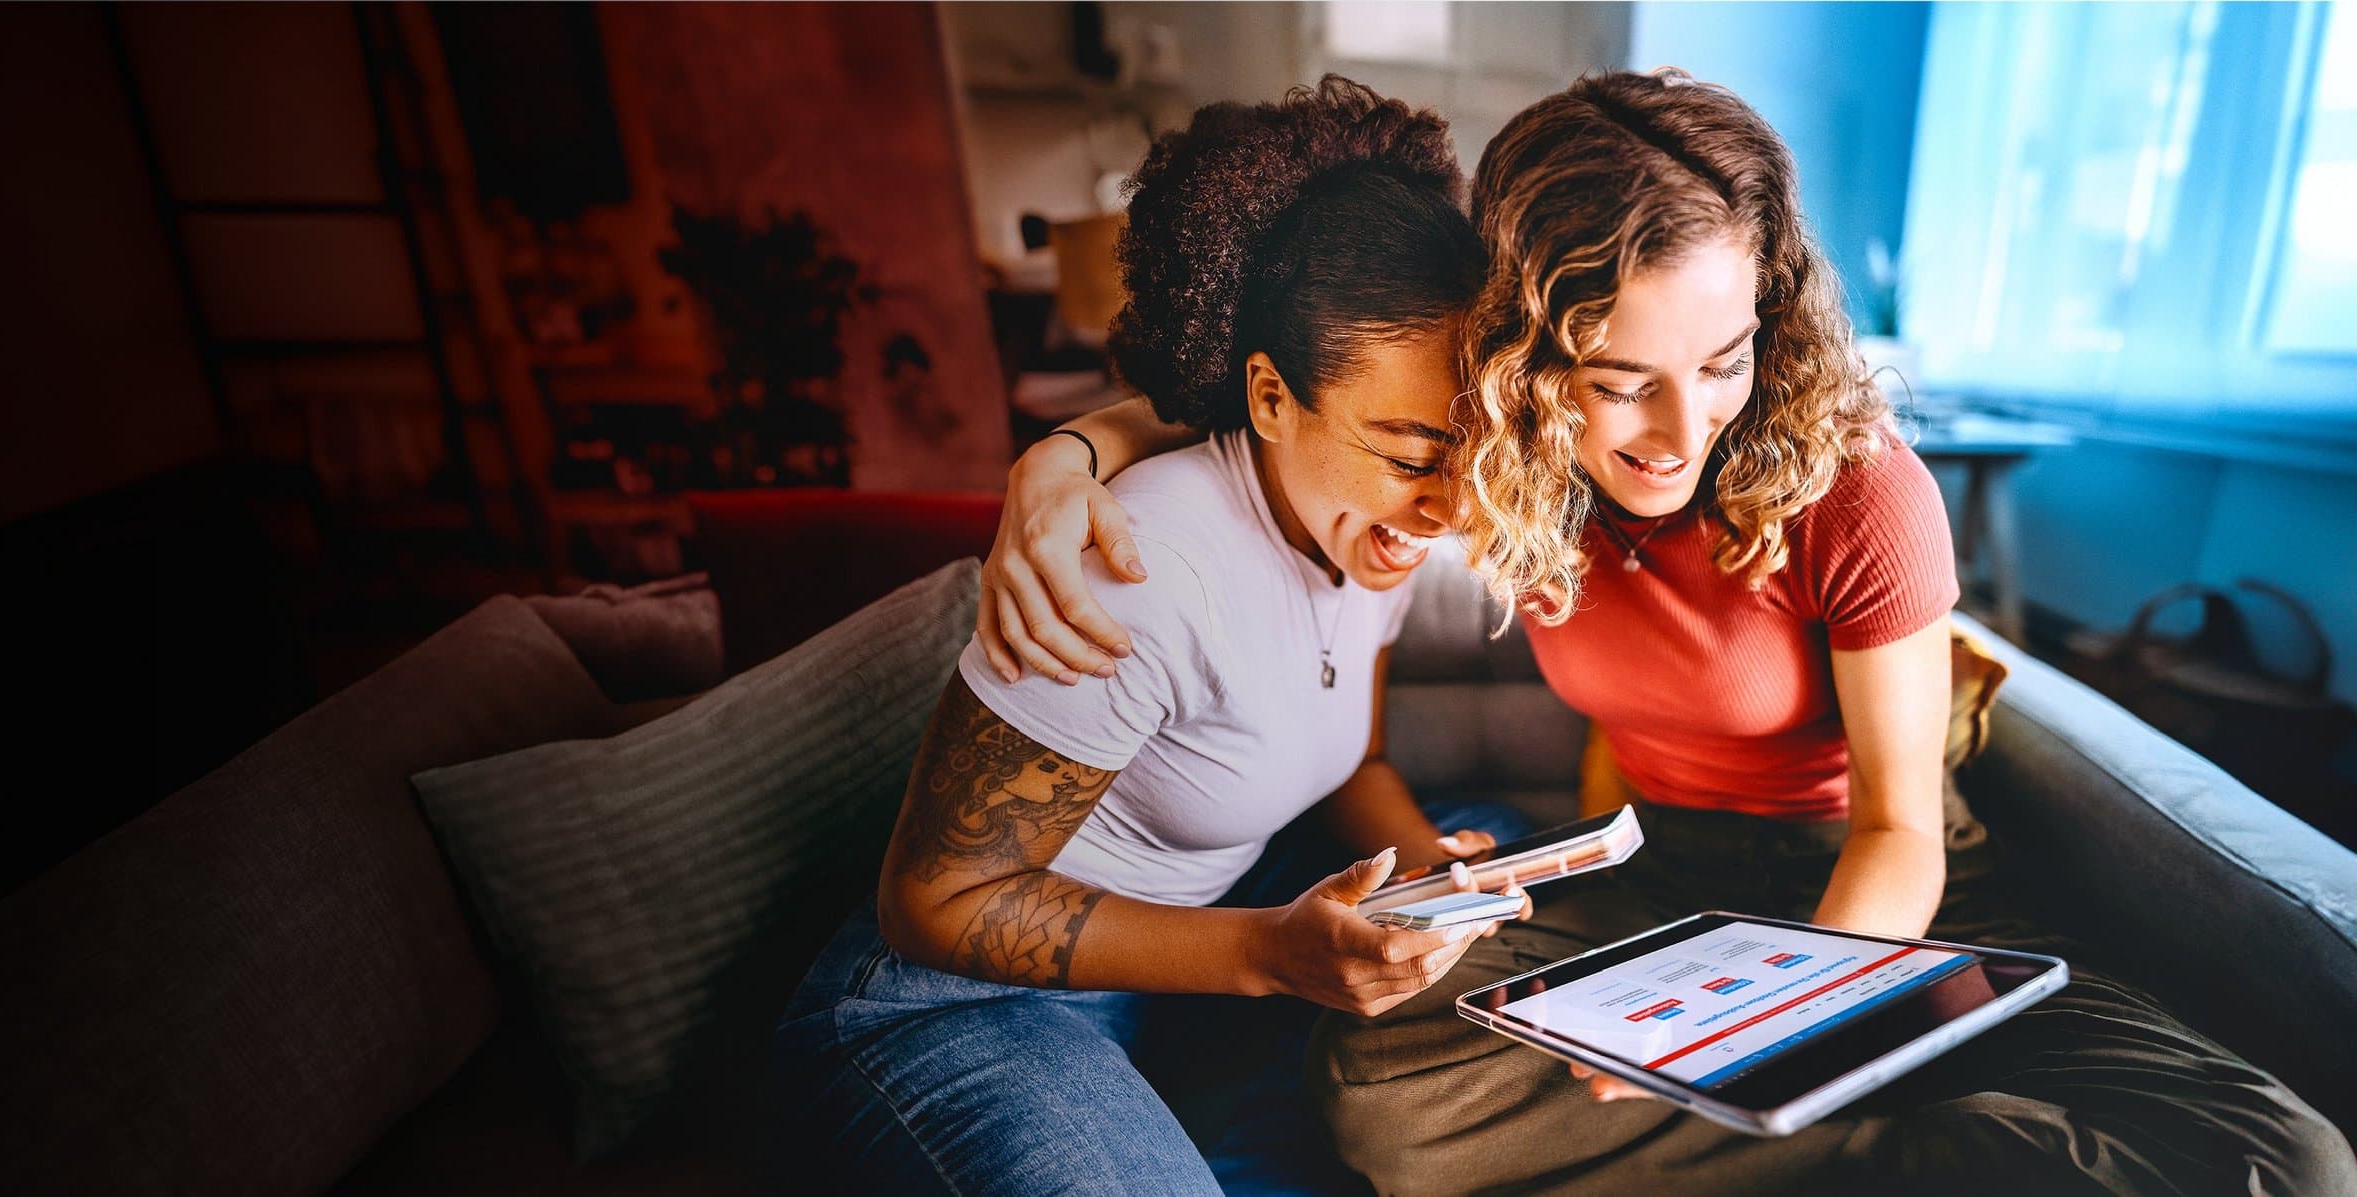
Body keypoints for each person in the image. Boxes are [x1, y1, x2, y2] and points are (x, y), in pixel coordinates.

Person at [981, 69, 2353, 1196]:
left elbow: (1902, 833)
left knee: (2280, 1162)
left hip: (1878, 893)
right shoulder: (1506, 458)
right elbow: (1272, 398)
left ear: (1769, 319)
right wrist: (1068, 453)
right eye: (1618, 379)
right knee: (1379, 1080)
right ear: (1522, 358)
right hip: (1663, 886)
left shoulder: (1858, 487)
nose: (1679, 433)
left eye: (1721, 361)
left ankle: (1801, 1143)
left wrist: (1782, 1028)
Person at [770, 78, 1527, 1197]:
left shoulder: (1363, 528)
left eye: (1480, 454)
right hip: (961, 1004)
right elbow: (933, 900)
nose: (1454, 507)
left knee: (1492, 845)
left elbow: (1354, 759)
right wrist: (1270, 954)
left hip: (1173, 959)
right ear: (1268, 399)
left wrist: (1426, 864)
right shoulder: (1141, 567)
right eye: (1414, 456)